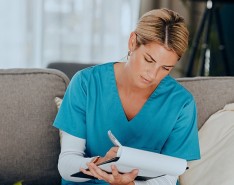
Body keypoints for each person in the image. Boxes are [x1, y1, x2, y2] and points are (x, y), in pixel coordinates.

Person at [53, 8, 200, 185]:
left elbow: (170, 176)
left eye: (165, 68)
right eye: (149, 60)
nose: (152, 75)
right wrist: (102, 165)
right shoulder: (86, 83)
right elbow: (67, 164)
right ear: (132, 42)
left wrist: (131, 184)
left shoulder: (181, 103)